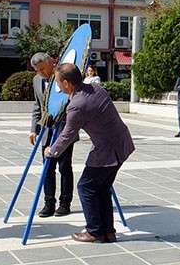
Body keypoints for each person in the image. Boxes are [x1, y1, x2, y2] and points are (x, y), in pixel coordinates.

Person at [44, 63, 135, 243]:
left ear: (68, 83)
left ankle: (94, 231)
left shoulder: (77, 104)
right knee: (101, 189)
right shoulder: (94, 87)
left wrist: (51, 151)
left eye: (58, 83)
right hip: (121, 143)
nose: (57, 87)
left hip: (108, 150)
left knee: (86, 187)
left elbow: (68, 134)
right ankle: (108, 231)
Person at [30, 52, 77, 217]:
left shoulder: (63, 76)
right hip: (46, 131)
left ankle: (65, 203)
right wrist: (33, 129)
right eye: (37, 70)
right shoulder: (37, 81)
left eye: (43, 68)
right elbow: (38, 106)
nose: (41, 73)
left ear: (51, 63)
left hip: (64, 130)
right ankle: (49, 202)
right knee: (47, 168)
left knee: (64, 167)